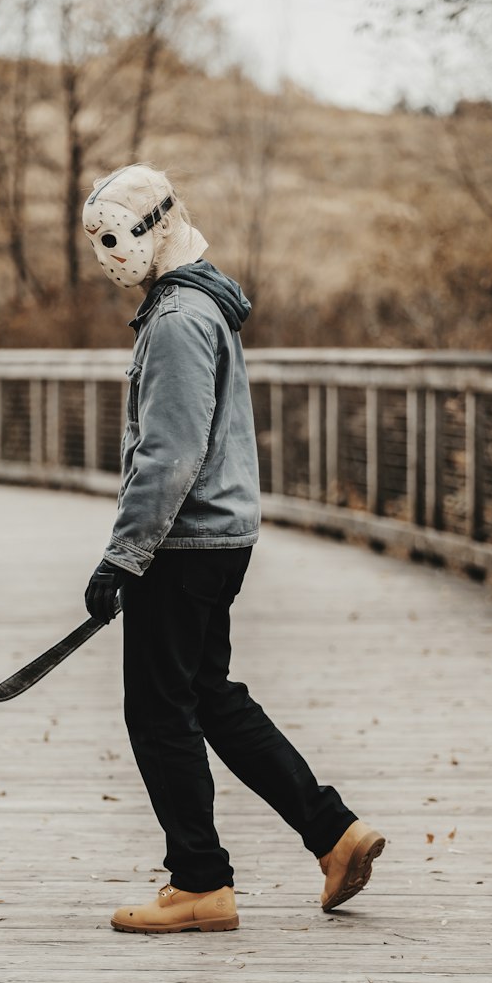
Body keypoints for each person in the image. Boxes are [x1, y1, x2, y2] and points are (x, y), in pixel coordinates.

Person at [81, 164, 385, 934]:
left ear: (154, 229)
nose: (106, 257)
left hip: (185, 540)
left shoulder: (179, 320)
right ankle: (333, 834)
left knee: (157, 713)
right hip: (211, 538)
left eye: (112, 238)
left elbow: (171, 453)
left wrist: (124, 554)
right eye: (94, 243)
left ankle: (200, 885)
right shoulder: (193, 304)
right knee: (207, 696)